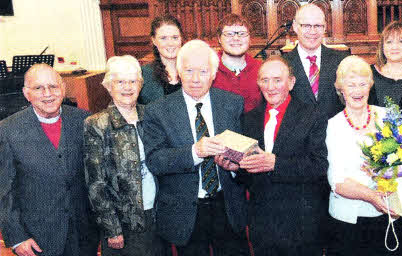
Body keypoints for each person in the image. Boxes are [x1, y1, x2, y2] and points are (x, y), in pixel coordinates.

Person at [142, 40, 248, 256]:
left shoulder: (233, 104)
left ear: (213, 74)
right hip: (185, 212)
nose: (196, 79)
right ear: (179, 73)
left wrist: (236, 166)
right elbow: (155, 160)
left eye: (203, 71)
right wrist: (194, 152)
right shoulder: (158, 111)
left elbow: (244, 154)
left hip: (226, 206)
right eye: (189, 71)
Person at [217, 56, 328, 255]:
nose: (271, 86)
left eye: (278, 80)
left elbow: (318, 166)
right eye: (265, 80)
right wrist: (236, 169)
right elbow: (250, 176)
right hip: (263, 225)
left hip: (301, 223)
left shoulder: (312, 115)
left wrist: (275, 163)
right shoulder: (249, 119)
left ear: (291, 83)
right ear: (258, 83)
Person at [0, 64, 99, 256]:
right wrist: (17, 237)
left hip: (85, 234)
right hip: (38, 238)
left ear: (63, 89)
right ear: (27, 93)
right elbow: (4, 191)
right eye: (39, 88)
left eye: (53, 86)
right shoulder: (7, 130)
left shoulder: (85, 121)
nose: (48, 94)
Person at [326, 55, 402, 256]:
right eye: (351, 85)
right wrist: (372, 197)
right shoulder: (334, 125)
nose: (357, 90)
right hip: (348, 222)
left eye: (363, 84)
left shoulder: (388, 116)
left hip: (388, 213)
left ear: (370, 86)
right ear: (341, 89)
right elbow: (336, 182)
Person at [83, 55, 162, 256]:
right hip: (123, 223)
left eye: (133, 81)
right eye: (120, 82)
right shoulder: (97, 124)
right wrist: (112, 229)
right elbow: (96, 183)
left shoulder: (151, 116)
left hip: (157, 214)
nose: (127, 87)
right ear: (109, 86)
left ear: (140, 85)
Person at [283, 3, 348, 119]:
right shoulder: (283, 64)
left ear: (324, 27)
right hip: (298, 134)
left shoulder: (342, 61)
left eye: (318, 26)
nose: (312, 31)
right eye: (307, 25)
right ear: (295, 27)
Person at [212, 14, 262, 113]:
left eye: (242, 34)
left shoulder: (261, 69)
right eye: (229, 34)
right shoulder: (208, 68)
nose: (236, 38)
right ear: (219, 39)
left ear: (250, 39)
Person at [138, 15, 183, 104]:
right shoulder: (143, 74)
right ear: (154, 40)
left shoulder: (192, 70)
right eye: (163, 38)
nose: (170, 43)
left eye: (175, 37)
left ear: (181, 39)